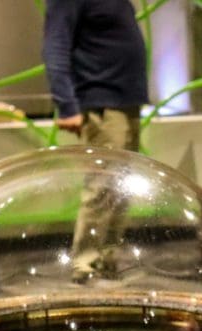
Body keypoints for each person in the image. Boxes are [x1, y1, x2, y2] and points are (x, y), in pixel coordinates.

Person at [43, 0, 149, 279]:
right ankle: (85, 262)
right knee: (101, 187)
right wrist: (66, 104)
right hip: (102, 102)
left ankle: (108, 257)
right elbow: (55, 46)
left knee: (122, 187)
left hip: (126, 102)